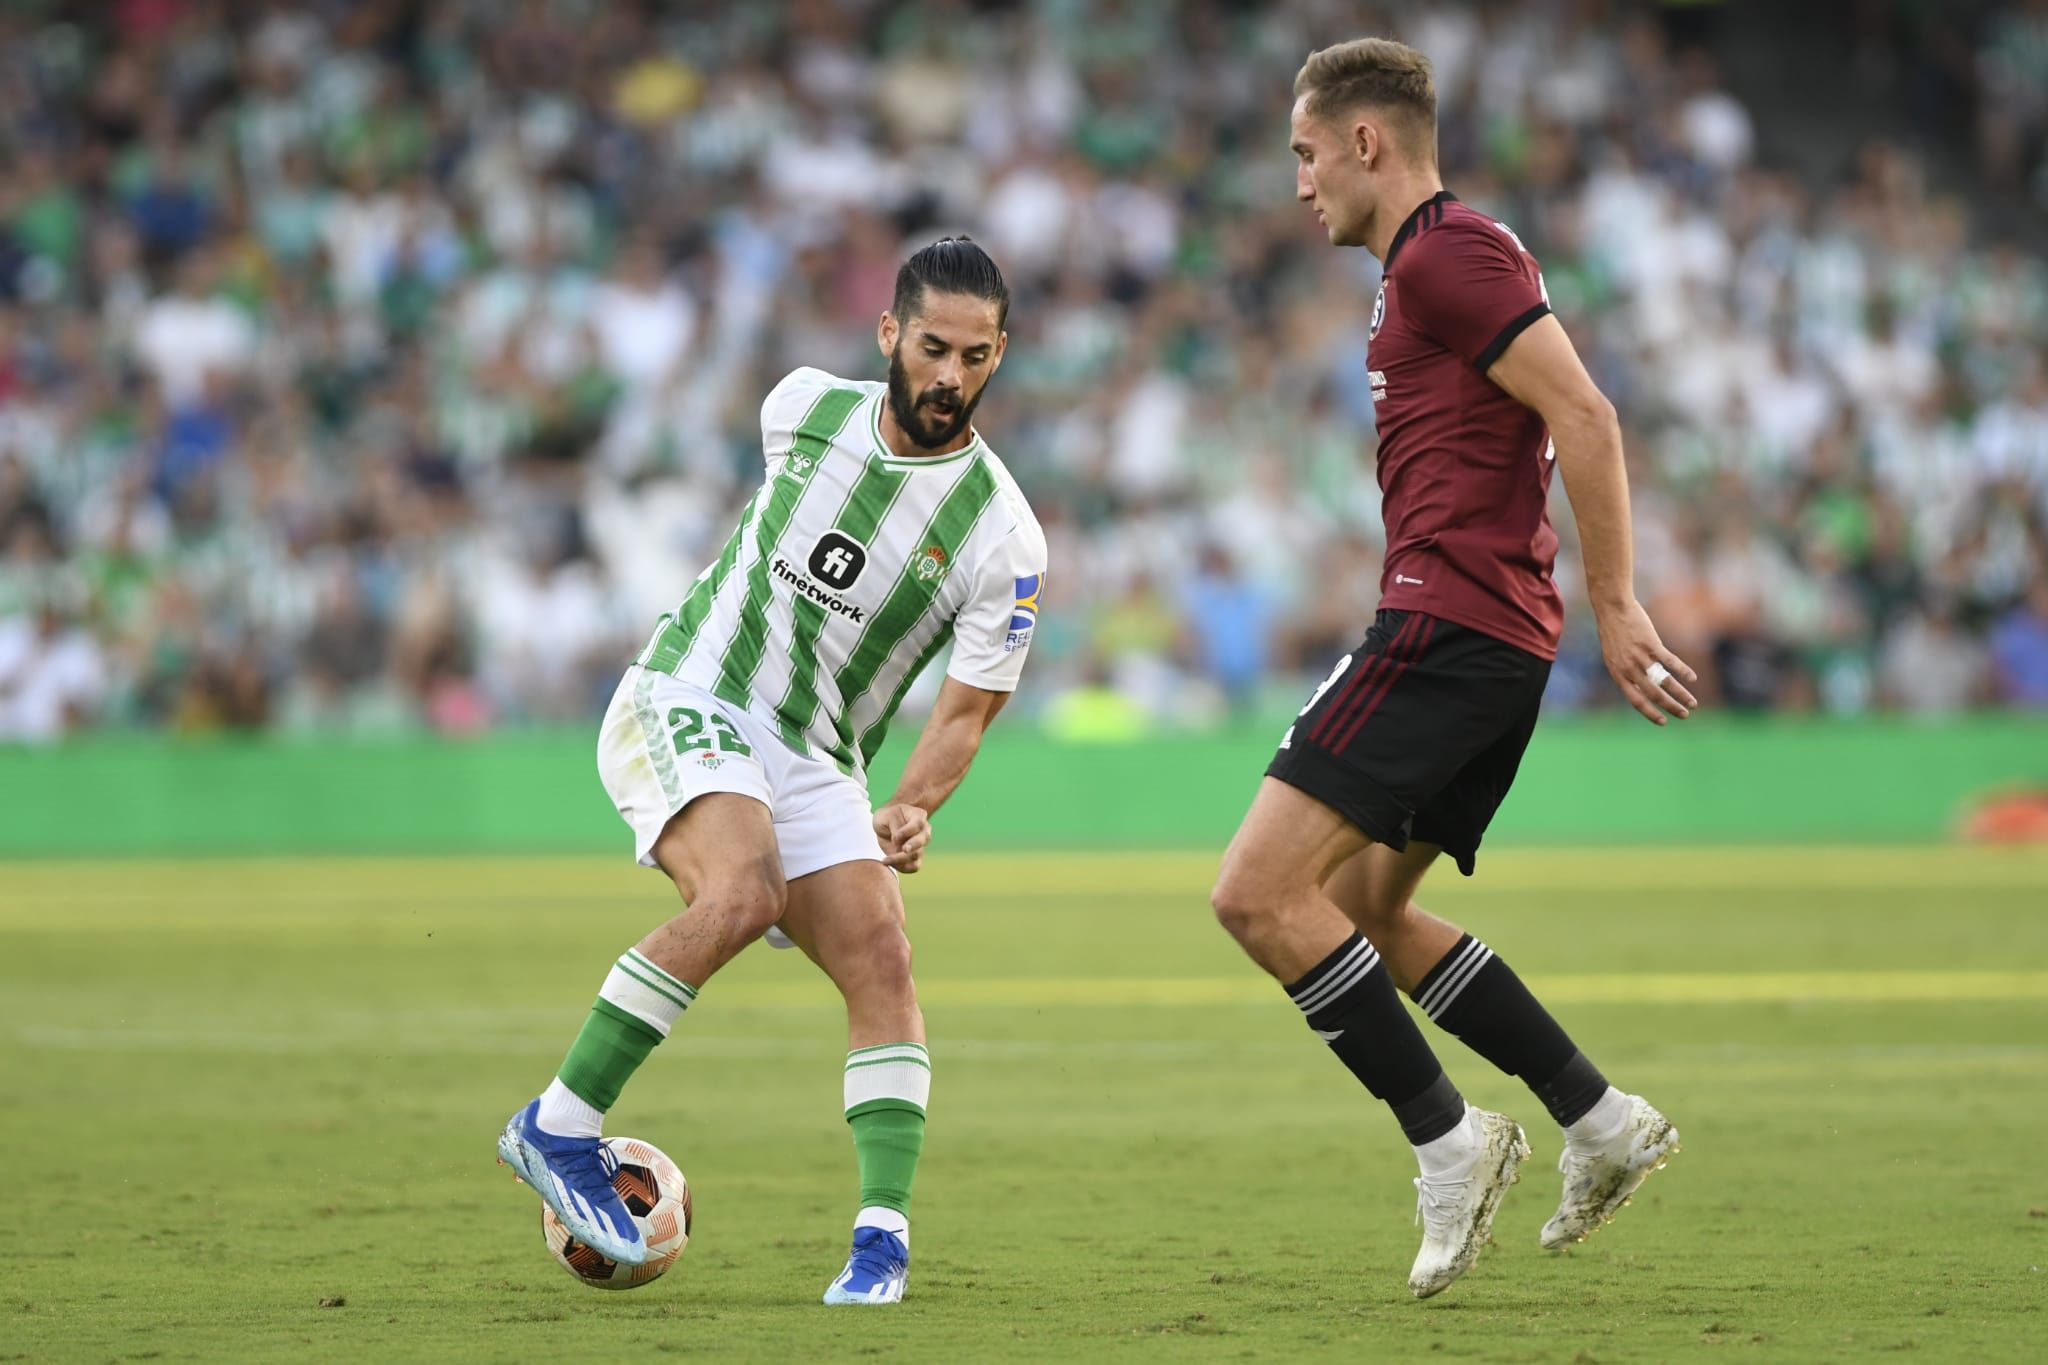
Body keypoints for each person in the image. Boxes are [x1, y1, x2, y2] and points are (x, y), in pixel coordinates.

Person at [1210, 39, 1698, 1299]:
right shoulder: (1431, 263)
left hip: (1445, 629)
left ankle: (1447, 1139)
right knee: (1365, 908)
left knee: (1257, 895)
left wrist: (1617, 602)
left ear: (1366, 142)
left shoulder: (1444, 252)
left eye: (1306, 155)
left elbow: (1584, 414)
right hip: (1489, 640)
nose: (1299, 183)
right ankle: (1596, 1120)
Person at [497, 238, 1047, 1306]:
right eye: (931, 347)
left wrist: (911, 802)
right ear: (888, 334)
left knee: (883, 960)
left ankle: (879, 1242)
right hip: (691, 692)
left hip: (819, 757)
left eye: (975, 357)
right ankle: (556, 1127)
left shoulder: (1002, 535)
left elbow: (969, 708)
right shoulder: (799, 408)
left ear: (999, 355)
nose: (949, 376)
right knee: (744, 892)